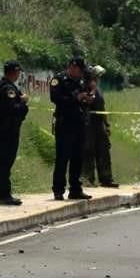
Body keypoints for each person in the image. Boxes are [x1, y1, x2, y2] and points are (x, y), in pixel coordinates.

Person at [49, 57, 93, 200]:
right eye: (79, 71)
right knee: (62, 157)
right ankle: (58, 190)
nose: (81, 74)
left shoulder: (80, 81)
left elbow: (83, 99)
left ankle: (75, 189)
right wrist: (76, 98)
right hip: (64, 123)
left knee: (77, 158)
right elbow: (56, 99)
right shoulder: (59, 80)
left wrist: (87, 99)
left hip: (78, 123)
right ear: (72, 67)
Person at [0, 60, 29, 205]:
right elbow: (13, 108)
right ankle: (4, 195)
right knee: (5, 162)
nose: (19, 75)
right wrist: (23, 102)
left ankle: (5, 193)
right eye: (18, 72)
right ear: (14, 72)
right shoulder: (7, 88)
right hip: (8, 128)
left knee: (4, 162)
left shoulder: (2, 85)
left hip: (5, 127)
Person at [81, 76, 119, 188]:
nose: (97, 80)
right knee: (88, 151)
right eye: (94, 78)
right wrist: (92, 90)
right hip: (88, 125)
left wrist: (107, 124)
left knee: (104, 151)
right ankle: (88, 179)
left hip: (99, 125)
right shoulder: (83, 89)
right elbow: (88, 101)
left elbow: (102, 108)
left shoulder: (99, 90)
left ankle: (106, 178)